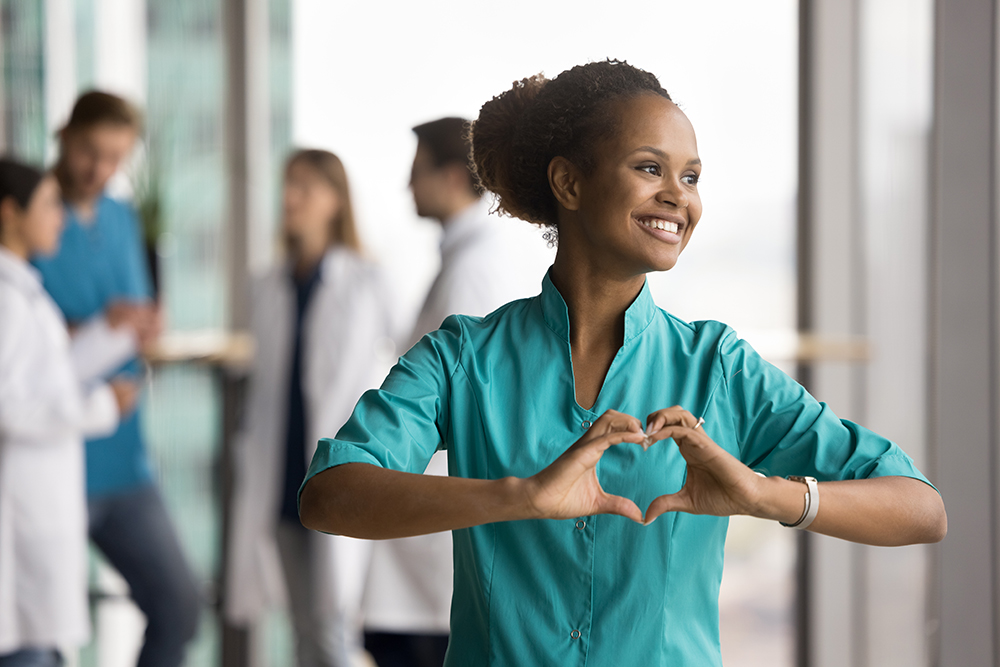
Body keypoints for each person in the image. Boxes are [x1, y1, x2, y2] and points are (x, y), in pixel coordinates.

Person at [299, 60, 947, 666]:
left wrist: (761, 493)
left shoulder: (718, 365)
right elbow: (330, 494)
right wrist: (521, 496)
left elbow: (920, 508)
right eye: (649, 168)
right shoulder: (463, 355)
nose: (678, 197)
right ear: (569, 181)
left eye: (690, 177)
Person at [361, 117, 540, 667]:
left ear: (453, 177)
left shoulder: (473, 273)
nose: (405, 187)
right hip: (434, 521)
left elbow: (472, 405)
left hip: (443, 522)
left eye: (416, 173)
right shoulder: (462, 262)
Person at [32, 91, 201, 667]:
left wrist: (146, 322)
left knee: (179, 605)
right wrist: (99, 324)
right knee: (40, 631)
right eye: (89, 152)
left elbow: (133, 304)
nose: (99, 170)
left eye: (115, 158)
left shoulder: (122, 216)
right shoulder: (27, 206)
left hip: (124, 457)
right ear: (64, 136)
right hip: (50, 454)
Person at [225, 149, 396, 667]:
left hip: (339, 473)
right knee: (303, 631)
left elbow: (408, 363)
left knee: (333, 632)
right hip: (281, 479)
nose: (289, 198)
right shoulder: (268, 285)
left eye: (304, 187)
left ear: (334, 201)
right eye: (287, 185)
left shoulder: (367, 281)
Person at [0, 159, 135, 666]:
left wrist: (109, 333)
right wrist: (101, 407)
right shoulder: (7, 301)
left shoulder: (23, 291)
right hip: (20, 518)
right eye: (49, 205)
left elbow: (45, 376)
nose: (60, 218)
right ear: (10, 213)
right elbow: (10, 407)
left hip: (39, 512)